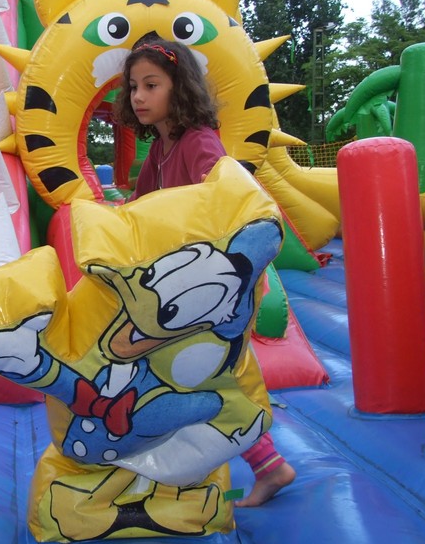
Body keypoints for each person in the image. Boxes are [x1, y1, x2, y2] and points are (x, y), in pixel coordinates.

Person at [113, 38, 296, 507]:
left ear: (180, 88)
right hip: (190, 285)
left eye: (151, 85)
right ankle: (267, 465)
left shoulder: (198, 142)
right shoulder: (161, 147)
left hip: (218, 286)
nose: (139, 96)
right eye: (133, 86)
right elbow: (142, 207)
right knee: (198, 376)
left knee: (203, 376)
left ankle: (263, 466)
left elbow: (223, 200)